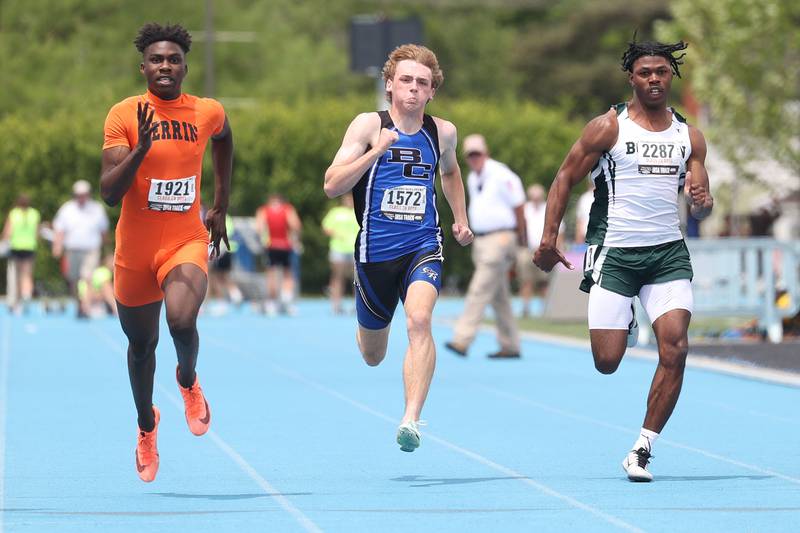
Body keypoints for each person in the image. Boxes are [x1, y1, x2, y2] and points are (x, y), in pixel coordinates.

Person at [533, 37, 713, 482]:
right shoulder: (607, 128)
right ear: (631, 78)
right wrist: (548, 238)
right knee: (607, 361)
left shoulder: (688, 136)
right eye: (645, 73)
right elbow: (564, 178)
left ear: (671, 76)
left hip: (668, 254)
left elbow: (703, 202)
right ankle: (629, 320)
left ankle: (642, 448)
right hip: (614, 254)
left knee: (676, 347)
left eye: (662, 72)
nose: (654, 79)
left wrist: (703, 200)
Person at [100, 23, 233, 482]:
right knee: (141, 346)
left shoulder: (206, 111)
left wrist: (220, 204)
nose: (165, 66)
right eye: (156, 59)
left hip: (184, 239)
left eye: (173, 60)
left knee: (181, 320)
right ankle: (145, 425)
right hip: (135, 251)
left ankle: (187, 380)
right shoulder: (123, 114)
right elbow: (109, 193)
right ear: (143, 67)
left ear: (184, 67)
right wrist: (141, 150)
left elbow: (225, 138)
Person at [323, 44, 473, 452]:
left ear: (431, 92)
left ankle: (411, 418)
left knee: (420, 321)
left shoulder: (442, 132)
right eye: (405, 80)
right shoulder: (367, 126)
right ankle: (366, 326)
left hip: (423, 244)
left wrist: (460, 218)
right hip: (375, 254)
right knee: (373, 354)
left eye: (422, 83)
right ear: (389, 85)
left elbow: (451, 171)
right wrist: (377, 152)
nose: (413, 88)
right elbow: (332, 184)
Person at [444, 134, 526, 359]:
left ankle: (462, 339)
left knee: (479, 289)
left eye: (477, 154)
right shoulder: (472, 178)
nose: (474, 159)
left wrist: (523, 240)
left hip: (500, 238)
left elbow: (519, 205)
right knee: (499, 296)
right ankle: (510, 344)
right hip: (481, 240)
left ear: (485, 152)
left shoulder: (501, 174)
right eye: (470, 156)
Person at [52, 180, 109, 318]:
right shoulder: (67, 209)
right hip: (73, 249)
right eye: (78, 195)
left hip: (91, 249)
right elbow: (59, 229)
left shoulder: (97, 209)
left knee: (87, 277)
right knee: (74, 280)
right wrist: (57, 246)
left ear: (88, 194)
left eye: (83, 194)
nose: (81, 197)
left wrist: (107, 250)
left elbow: (103, 231)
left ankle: (86, 307)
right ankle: (79, 305)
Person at [516, 184, 563, 317]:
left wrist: (556, 249)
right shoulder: (525, 209)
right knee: (526, 280)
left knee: (544, 281)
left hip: (544, 250)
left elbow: (559, 230)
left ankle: (545, 309)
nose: (535, 199)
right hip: (527, 249)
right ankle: (526, 308)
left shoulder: (549, 209)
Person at [255, 194, 301, 315]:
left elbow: (259, 228)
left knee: (271, 274)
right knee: (288, 273)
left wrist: (262, 239)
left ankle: (272, 303)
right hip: (285, 245)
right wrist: (295, 238)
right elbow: (296, 225)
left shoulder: (264, 210)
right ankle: (287, 299)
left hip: (271, 245)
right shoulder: (288, 209)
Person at [2, 194, 41, 314]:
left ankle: (15, 300)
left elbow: (7, 232)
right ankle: (26, 295)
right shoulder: (34, 214)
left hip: (16, 247)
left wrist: (3, 242)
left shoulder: (14, 214)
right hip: (29, 247)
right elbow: (37, 233)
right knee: (27, 275)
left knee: (15, 275)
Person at [321, 194, 360, 314]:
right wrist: (336, 234)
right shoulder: (335, 212)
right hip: (338, 249)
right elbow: (325, 227)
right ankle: (336, 304)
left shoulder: (358, 211)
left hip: (355, 249)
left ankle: (357, 305)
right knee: (338, 277)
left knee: (357, 278)